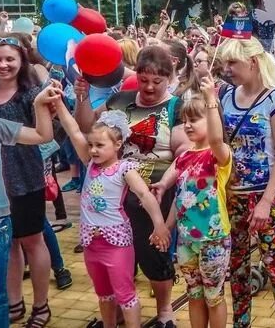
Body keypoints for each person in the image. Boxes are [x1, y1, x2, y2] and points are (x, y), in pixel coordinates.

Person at [75, 46, 191, 328]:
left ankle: (164, 310)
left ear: (170, 78)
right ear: (135, 75)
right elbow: (88, 127)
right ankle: (115, 307)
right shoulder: (119, 100)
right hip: (113, 191)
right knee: (115, 256)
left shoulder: (176, 106)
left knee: (154, 251)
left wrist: (164, 182)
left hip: (153, 190)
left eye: (157, 81)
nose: (149, 87)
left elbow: (184, 151)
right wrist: (82, 98)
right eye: (143, 80)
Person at [56, 105, 170, 328]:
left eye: (100, 145)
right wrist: (59, 106)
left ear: (118, 145)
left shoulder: (124, 169)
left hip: (116, 244)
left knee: (125, 293)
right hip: (91, 243)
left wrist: (159, 225)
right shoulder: (89, 165)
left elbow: (145, 195)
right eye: (91, 145)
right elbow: (73, 131)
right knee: (104, 293)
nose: (93, 150)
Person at [0, 37, 56, 327]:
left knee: (32, 242)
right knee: (6, 244)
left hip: (25, 180)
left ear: (21, 61)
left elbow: (45, 133)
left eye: (10, 58)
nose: (3, 64)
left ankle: (41, 305)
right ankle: (13, 301)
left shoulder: (31, 94)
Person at [216, 38, 275, 328]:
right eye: (224, 63)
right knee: (236, 269)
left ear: (252, 62)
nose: (227, 69)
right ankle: (241, 323)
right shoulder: (225, 96)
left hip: (264, 196)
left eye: (232, 62)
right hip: (231, 194)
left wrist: (266, 202)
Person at [155, 78, 232, 328]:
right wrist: (166, 226)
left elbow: (217, 140)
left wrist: (210, 101)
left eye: (194, 120)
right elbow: (179, 198)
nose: (187, 125)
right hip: (187, 239)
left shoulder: (218, 155)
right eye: (184, 120)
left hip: (214, 238)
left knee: (213, 296)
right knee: (194, 294)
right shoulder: (185, 156)